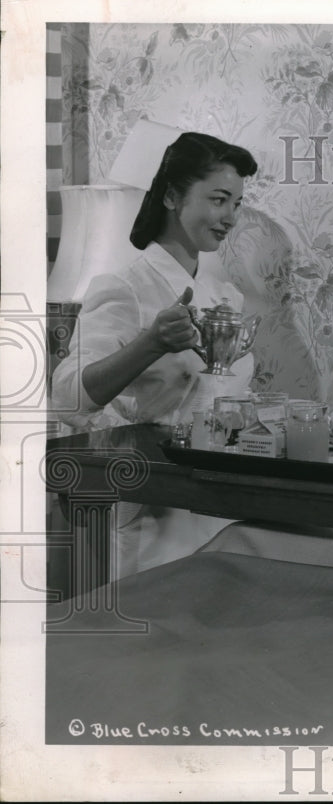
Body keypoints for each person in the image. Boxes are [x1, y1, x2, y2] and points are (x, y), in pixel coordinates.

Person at [50, 132, 259, 578]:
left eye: (237, 204)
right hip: (154, 505)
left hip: (220, 500)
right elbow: (68, 398)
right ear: (170, 196)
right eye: (219, 200)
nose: (230, 217)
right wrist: (151, 343)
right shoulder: (125, 288)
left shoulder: (225, 298)